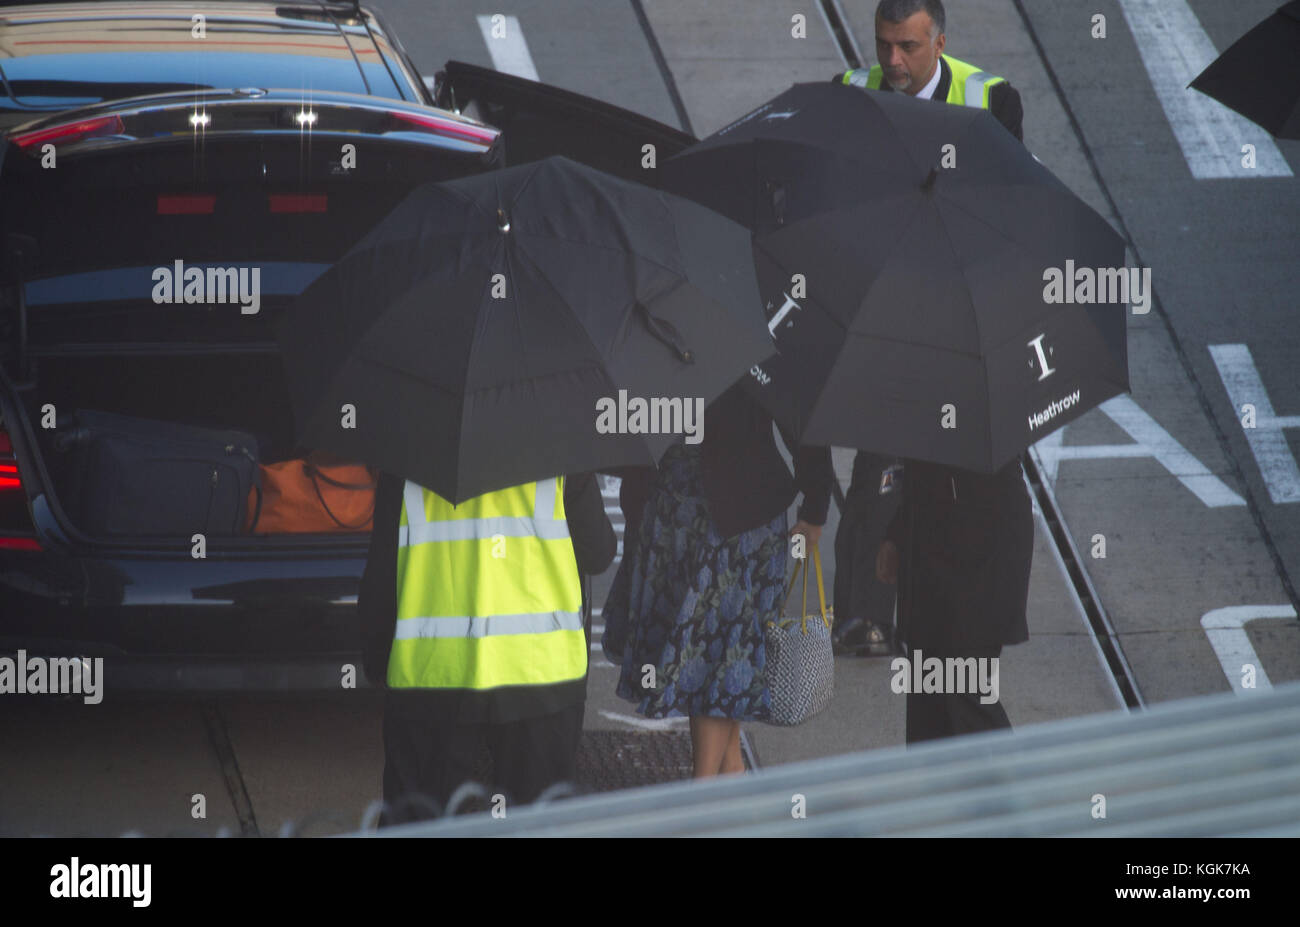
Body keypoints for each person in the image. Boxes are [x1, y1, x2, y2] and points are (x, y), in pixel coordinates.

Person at [834, 0, 1034, 742]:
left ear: (939, 42)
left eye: (909, 47)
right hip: (887, 321)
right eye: (885, 45)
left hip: (947, 316)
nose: (893, 62)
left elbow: (999, 212)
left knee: (961, 698)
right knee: (929, 700)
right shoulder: (850, 92)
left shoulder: (991, 102)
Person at [602, 383, 833, 778]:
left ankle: (708, 785)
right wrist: (815, 501)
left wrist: (816, 500)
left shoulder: (657, 328)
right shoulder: (754, 331)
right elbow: (798, 405)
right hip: (719, 510)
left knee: (717, 652)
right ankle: (723, 777)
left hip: (697, 508)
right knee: (719, 650)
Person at [359, 470, 615, 824]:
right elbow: (598, 554)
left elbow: (383, 570)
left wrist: (375, 656)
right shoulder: (560, 451)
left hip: (433, 670)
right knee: (539, 823)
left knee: (418, 820)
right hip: (540, 672)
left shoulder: (409, 457)